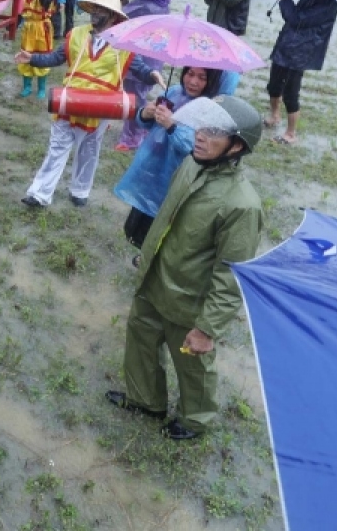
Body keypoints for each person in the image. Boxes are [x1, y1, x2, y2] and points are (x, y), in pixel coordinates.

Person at [107, 95, 263, 441]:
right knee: (141, 338)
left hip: (190, 300)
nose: (201, 135)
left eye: (214, 133)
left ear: (236, 146)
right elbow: (164, 219)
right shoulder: (191, 164)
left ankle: (195, 420)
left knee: (193, 364)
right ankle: (146, 400)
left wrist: (207, 329)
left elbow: (232, 276)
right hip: (155, 279)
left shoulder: (241, 204)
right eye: (203, 126)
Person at [17, 0, 163, 208]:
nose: (95, 13)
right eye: (95, 9)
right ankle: (39, 194)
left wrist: (153, 75)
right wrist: (33, 59)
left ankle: (80, 190)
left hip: (101, 108)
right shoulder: (76, 34)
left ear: (113, 17)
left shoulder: (123, 44)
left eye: (101, 10)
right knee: (57, 147)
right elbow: (57, 57)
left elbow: (139, 68)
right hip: (70, 101)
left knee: (89, 150)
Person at [114, 67, 237, 253]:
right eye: (190, 74)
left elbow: (196, 147)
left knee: (162, 222)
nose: (193, 81)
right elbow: (146, 123)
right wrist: (145, 114)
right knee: (136, 221)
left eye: (202, 77)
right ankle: (141, 247)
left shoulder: (210, 109)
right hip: (151, 167)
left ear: (211, 81)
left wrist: (172, 126)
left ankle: (149, 259)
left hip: (174, 174)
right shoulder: (173, 92)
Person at [265, 0, 337, 145]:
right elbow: (293, 17)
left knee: (291, 93)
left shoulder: (329, 5)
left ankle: (291, 133)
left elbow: (296, 19)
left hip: (301, 53)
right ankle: (275, 115)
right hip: (286, 47)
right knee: (274, 85)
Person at [16, 0, 57, 99]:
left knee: (42, 57)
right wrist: (13, 27)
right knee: (26, 55)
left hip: (42, 28)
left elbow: (46, 0)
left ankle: (41, 88)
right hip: (28, 28)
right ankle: (27, 87)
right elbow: (20, 12)